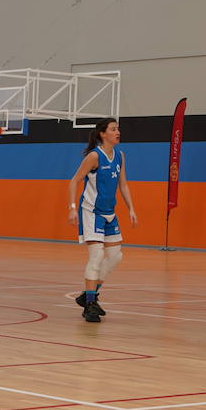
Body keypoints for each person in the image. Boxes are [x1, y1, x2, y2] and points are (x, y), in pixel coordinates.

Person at [67, 118, 137, 322]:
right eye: (113, 129)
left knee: (115, 256)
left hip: (109, 212)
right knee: (96, 256)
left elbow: (123, 184)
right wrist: (72, 209)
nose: (118, 132)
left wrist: (131, 208)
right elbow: (74, 181)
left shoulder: (120, 156)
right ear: (102, 134)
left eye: (118, 129)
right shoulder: (93, 157)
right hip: (91, 211)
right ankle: (89, 304)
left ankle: (88, 295)